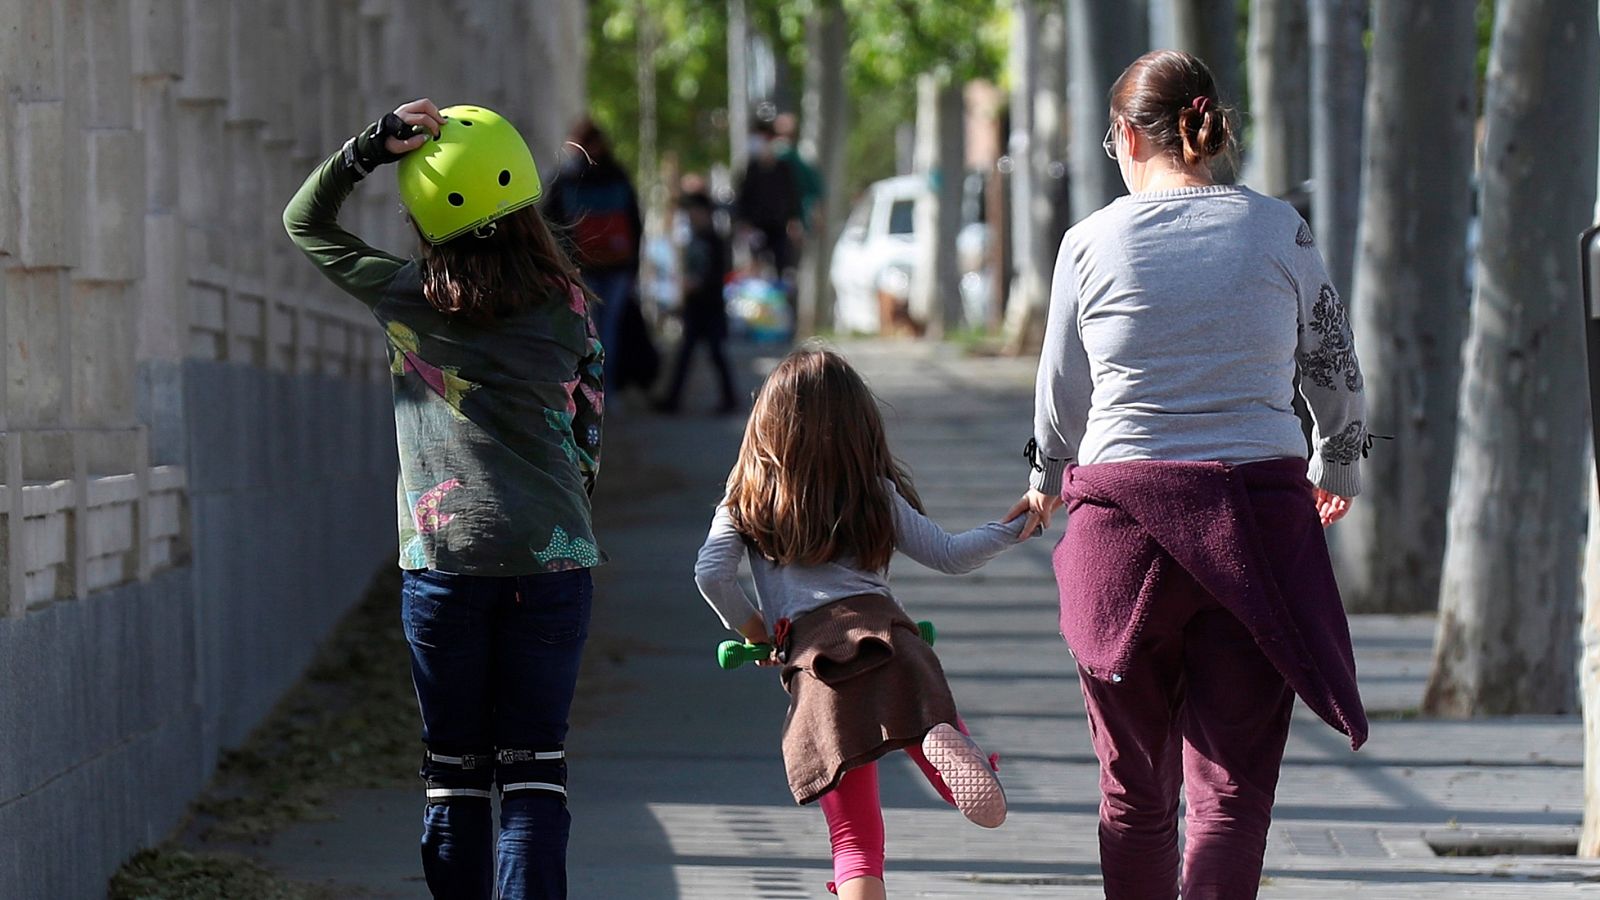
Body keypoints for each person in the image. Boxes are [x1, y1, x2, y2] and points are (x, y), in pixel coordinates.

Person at [1010, 50, 1370, 900]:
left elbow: (1060, 392)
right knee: (1233, 793)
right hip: (1256, 523)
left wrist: (1042, 476)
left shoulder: (1088, 244)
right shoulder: (1280, 229)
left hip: (1121, 533)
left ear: (1129, 136)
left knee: (1134, 794)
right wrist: (1340, 459)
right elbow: (1332, 363)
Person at [284, 98, 604, 900]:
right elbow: (589, 436)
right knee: (534, 770)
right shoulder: (568, 309)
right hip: (553, 558)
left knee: (455, 770)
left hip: (445, 562)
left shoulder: (406, 298)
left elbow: (306, 224)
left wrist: (369, 148)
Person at [694, 346, 1031, 900]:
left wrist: (758, 631)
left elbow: (711, 574)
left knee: (854, 840)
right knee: (934, 736)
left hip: (819, 668)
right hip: (893, 644)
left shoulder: (745, 497)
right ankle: (952, 747)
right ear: (858, 426)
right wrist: (1012, 528)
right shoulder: (872, 490)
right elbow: (948, 553)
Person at [542, 118, 645, 391]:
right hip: (614, 267)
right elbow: (635, 224)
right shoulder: (617, 175)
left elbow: (550, 225)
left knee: (589, 332)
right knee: (606, 331)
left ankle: (591, 391)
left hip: (585, 268)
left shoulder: (564, 179)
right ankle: (604, 392)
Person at [654, 189, 737, 414]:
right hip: (695, 306)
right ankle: (672, 400)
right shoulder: (693, 239)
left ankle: (730, 399)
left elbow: (718, 274)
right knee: (685, 355)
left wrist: (698, 285)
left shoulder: (715, 241)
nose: (691, 216)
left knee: (716, 354)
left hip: (710, 307)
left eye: (695, 212)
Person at [734, 119, 803, 280]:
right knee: (755, 269)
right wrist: (744, 224)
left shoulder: (784, 169)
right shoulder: (751, 170)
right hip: (756, 228)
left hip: (779, 228)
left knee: (783, 269)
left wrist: (794, 221)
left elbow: (793, 197)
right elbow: (743, 199)